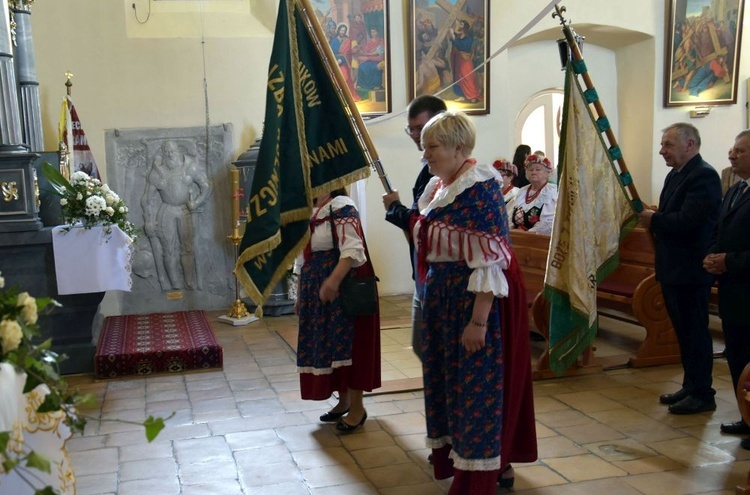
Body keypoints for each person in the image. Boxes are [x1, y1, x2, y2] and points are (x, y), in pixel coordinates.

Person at [414, 110, 536, 493]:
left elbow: (492, 260)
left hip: (471, 302)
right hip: (443, 300)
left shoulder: (480, 188)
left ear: (458, 146)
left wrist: (478, 321)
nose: (425, 154)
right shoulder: (439, 186)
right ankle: (477, 461)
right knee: (449, 384)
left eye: (431, 146)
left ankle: (481, 472)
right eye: (424, 146)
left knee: (476, 390)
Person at [640, 122, 721, 414]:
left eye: (668, 145)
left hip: (691, 269)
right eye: (662, 145)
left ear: (690, 145)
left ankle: (703, 393)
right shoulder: (677, 175)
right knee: (684, 333)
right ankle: (691, 385)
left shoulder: (704, 176)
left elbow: (689, 221)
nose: (662, 151)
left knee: (695, 332)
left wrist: (653, 220)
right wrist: (657, 218)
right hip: (673, 268)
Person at [294, 188, 381, 432]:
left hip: (341, 288)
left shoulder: (341, 205)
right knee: (330, 347)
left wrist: (332, 281)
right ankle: (343, 402)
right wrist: (301, 295)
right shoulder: (309, 209)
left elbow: (353, 250)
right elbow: (302, 257)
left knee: (350, 347)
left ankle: (357, 409)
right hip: (316, 289)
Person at [382, 95, 447, 362]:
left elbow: (428, 226)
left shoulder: (454, 175)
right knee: (422, 347)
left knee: (432, 350)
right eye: (412, 130)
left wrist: (395, 208)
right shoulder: (428, 169)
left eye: (422, 129)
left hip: (439, 276)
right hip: (423, 272)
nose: (416, 136)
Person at [704, 130, 750, 443]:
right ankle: (747, 416)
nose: (731, 155)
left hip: (747, 286)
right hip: (733, 291)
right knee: (737, 354)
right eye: (732, 150)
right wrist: (712, 256)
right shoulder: (736, 190)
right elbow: (722, 230)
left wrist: (728, 261)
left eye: (740, 151)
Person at [141, 140, 211, 291]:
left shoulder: (189, 167)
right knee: (168, 249)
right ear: (163, 154)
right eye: (167, 152)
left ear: (178, 151)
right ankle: (175, 284)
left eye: (172, 151)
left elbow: (205, 185)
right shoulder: (157, 172)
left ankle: (189, 281)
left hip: (185, 209)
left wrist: (196, 202)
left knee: (188, 247)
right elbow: (147, 198)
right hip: (166, 210)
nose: (170, 154)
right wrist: (148, 221)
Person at [507, 154, 558, 235]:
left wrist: (527, 234)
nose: (533, 172)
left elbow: (549, 222)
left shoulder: (551, 192)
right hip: (516, 238)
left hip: (539, 242)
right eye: (530, 170)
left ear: (547, 173)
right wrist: (512, 231)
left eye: (538, 169)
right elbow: (509, 215)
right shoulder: (522, 191)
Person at [449, 20, 481, 103]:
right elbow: (453, 40)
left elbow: (461, 46)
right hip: (459, 60)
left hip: (465, 60)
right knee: (459, 77)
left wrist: (453, 36)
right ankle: (462, 95)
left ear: (464, 28)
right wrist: (453, 34)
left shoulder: (468, 38)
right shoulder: (459, 36)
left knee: (467, 77)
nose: (458, 26)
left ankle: (472, 95)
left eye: (460, 25)